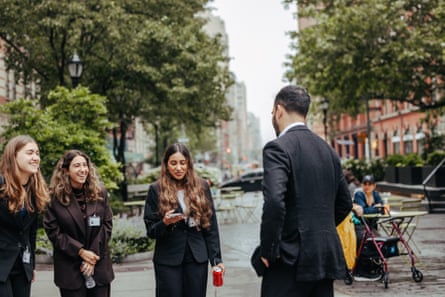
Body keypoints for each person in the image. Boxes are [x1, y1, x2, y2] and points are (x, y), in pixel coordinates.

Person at [257, 85, 352, 297]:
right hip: (324, 257)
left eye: (273, 112)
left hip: (289, 260)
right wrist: (317, 229)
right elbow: (345, 203)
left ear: (279, 110)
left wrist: (269, 250)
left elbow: (274, 201)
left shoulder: (278, 148)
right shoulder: (328, 150)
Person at [143, 143, 224, 297]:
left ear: (188, 164)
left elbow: (211, 226)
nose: (178, 168)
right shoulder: (156, 189)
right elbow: (151, 230)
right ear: (166, 165)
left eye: (182, 163)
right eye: (173, 163)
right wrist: (165, 223)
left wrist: (216, 259)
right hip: (168, 259)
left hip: (197, 257)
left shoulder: (201, 186)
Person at [43, 150, 114, 297]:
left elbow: (107, 225)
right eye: (77, 166)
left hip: (98, 266)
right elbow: (53, 232)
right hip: (70, 270)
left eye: (85, 165)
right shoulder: (53, 198)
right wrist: (81, 252)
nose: (83, 170)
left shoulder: (100, 193)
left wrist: (92, 256)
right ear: (66, 171)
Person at [0, 135, 50, 297]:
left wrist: (32, 265)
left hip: (23, 265)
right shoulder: (1, 186)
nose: (35, 157)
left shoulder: (34, 191)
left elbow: (30, 232)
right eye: (29, 153)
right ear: (13, 156)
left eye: (37, 153)